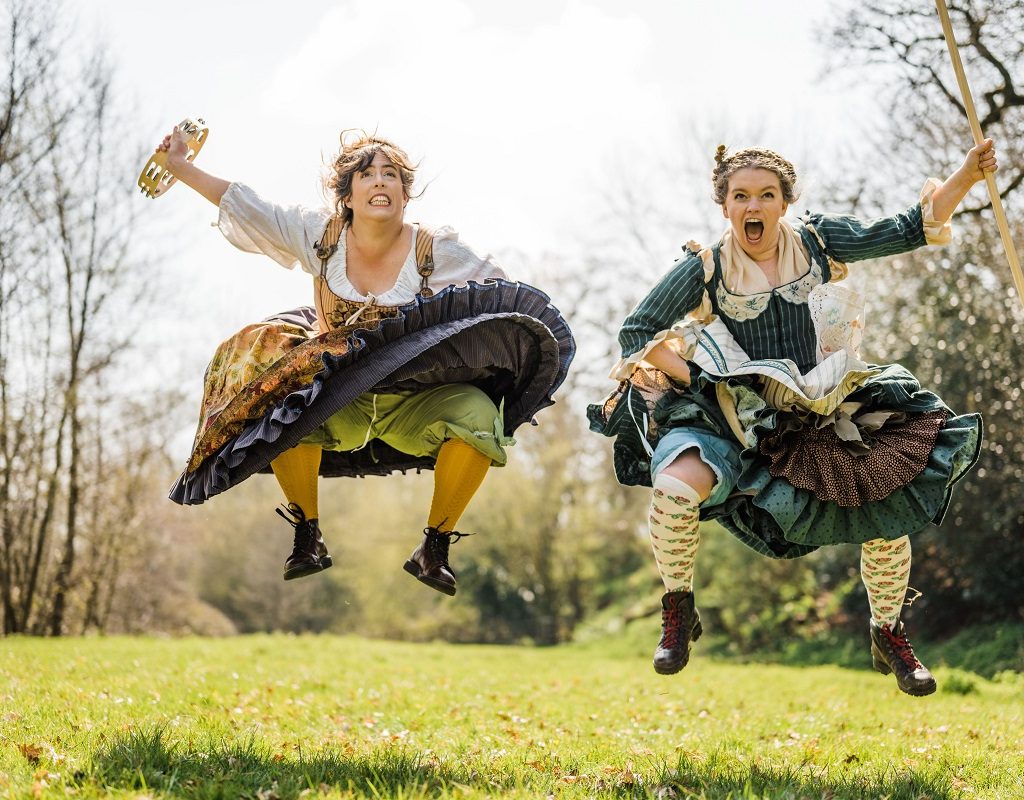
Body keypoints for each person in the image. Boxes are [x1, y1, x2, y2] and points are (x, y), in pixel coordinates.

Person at [589, 139, 996, 695]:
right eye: (740, 197)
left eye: (765, 196)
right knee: (674, 488)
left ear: (784, 203)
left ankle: (888, 633)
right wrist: (700, 377)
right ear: (724, 206)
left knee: (888, 507)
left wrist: (968, 174)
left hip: (820, 409)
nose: (752, 208)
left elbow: (905, 228)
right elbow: (636, 333)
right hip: (732, 413)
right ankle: (679, 608)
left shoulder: (816, 240)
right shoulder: (705, 269)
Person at [157, 127, 574, 593]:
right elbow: (248, 205)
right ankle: (307, 533)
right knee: (283, 403)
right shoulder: (320, 237)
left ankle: (434, 547)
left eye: (391, 175)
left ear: (403, 192)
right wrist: (181, 166)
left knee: (476, 415)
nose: (380, 182)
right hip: (340, 401)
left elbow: (501, 297)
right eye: (368, 174)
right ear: (348, 195)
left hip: (416, 401)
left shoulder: (435, 251)